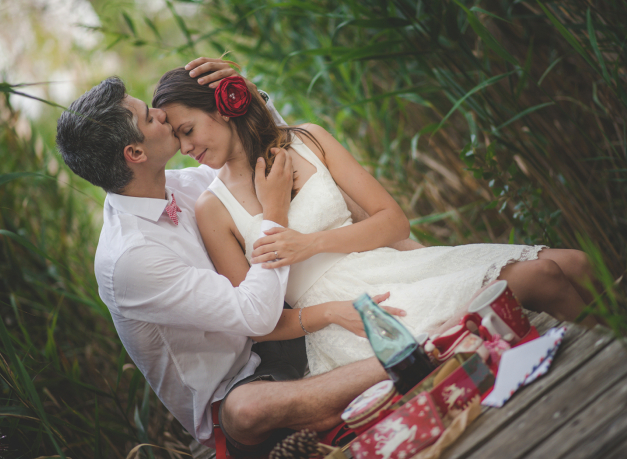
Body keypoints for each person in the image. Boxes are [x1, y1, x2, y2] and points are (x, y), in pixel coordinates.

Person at [152, 59, 600, 377]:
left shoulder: (309, 139)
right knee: (543, 275)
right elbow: (261, 324)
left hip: (396, 264)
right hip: (353, 310)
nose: (186, 149)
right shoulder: (213, 209)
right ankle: (618, 376)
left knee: (579, 263)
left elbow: (394, 222)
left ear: (224, 106)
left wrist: (309, 244)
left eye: (188, 130)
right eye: (177, 139)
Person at [54, 63, 414, 458]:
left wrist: (238, 93)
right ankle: (408, 356)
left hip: (287, 322)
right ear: (135, 152)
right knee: (245, 410)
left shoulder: (181, 185)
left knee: (357, 211)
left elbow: (262, 155)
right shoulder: (129, 260)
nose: (163, 116)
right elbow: (255, 316)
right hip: (240, 380)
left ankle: (418, 289)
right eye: (149, 116)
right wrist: (274, 216)